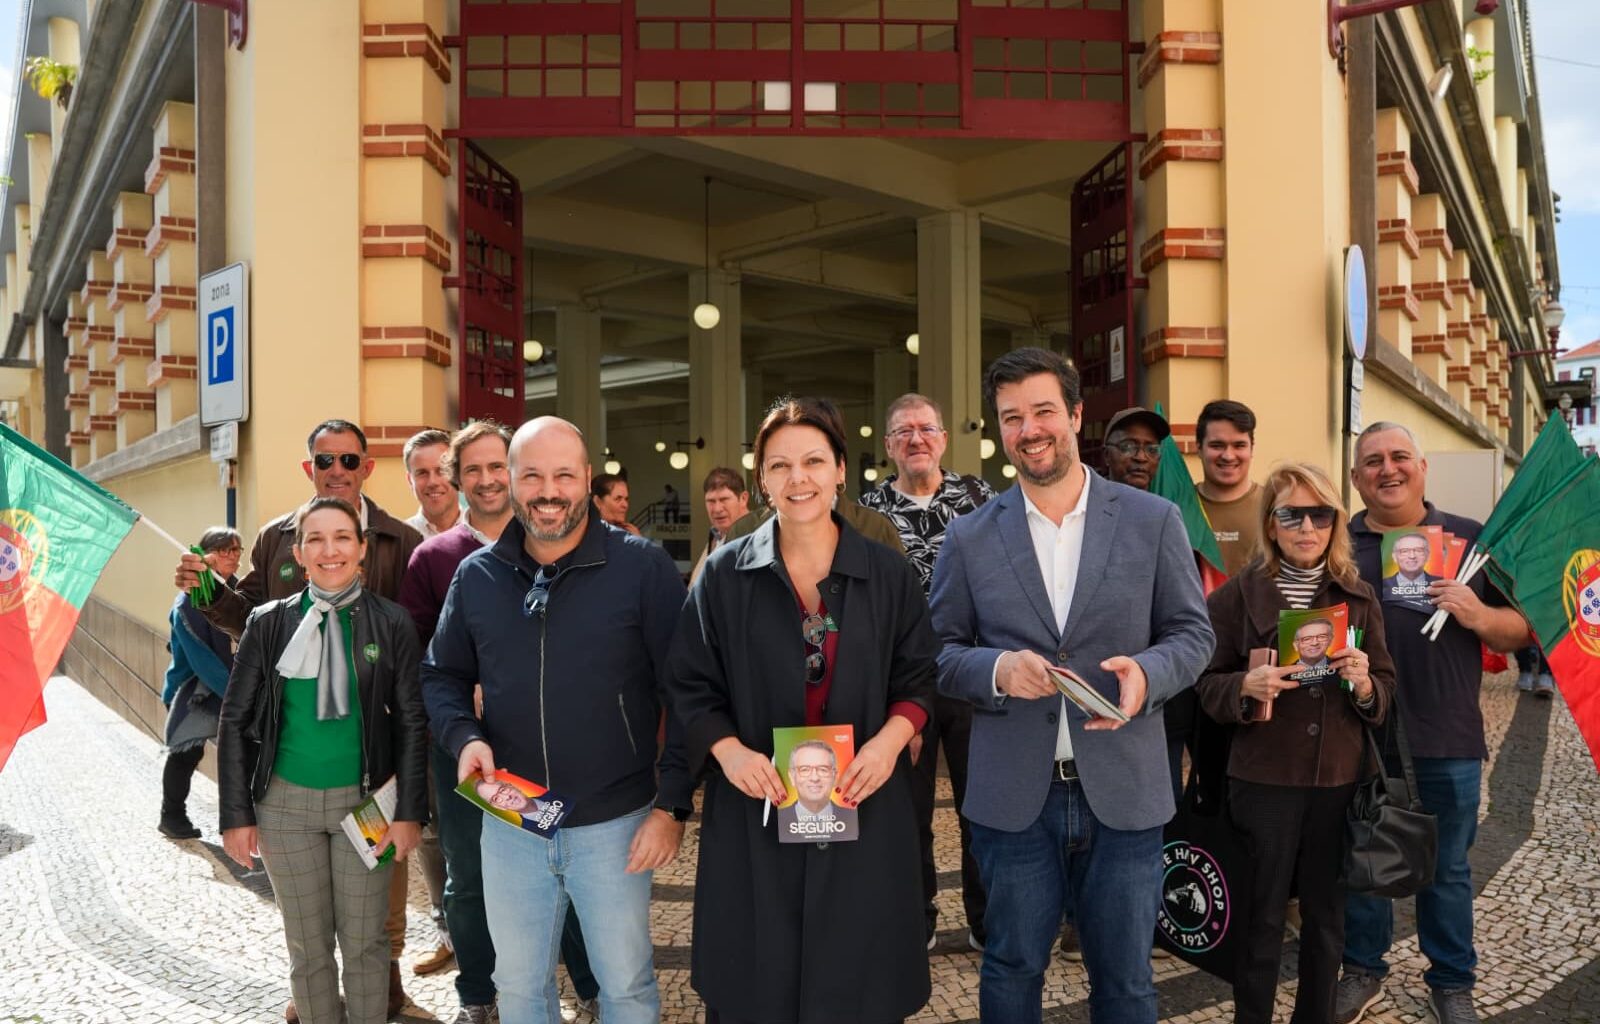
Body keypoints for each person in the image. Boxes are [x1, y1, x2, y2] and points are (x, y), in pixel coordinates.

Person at [930, 348, 1215, 1024]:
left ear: (1076, 415)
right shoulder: (969, 536)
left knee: (1125, 981)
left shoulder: (1153, 522)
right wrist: (996, 670)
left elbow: (1193, 636)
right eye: (1012, 417)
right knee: (1011, 968)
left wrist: (1148, 674)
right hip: (1014, 798)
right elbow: (937, 654)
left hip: (1124, 791)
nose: (1030, 429)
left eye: (1043, 411)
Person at [667, 395, 937, 1024]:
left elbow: (919, 673)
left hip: (863, 801)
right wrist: (728, 752)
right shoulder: (725, 575)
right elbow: (688, 680)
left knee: (862, 983)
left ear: (842, 469)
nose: (799, 479)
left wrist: (889, 742)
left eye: (814, 461)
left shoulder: (887, 573)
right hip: (758, 810)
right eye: (780, 465)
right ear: (761, 477)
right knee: (759, 982)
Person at [423, 417, 693, 1024]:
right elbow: (439, 676)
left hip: (615, 821)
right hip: (512, 817)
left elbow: (687, 692)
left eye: (564, 475)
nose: (549, 491)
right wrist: (464, 736)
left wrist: (671, 804)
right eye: (533, 476)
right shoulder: (479, 576)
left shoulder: (643, 569)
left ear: (587, 481)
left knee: (624, 985)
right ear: (512, 483)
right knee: (518, 988)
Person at [174, 418, 424, 1020]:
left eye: (343, 538)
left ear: (365, 546)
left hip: (367, 803)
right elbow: (235, 720)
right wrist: (236, 815)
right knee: (307, 949)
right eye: (316, 539)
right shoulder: (270, 621)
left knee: (367, 946)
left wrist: (411, 810)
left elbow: (412, 719)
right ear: (297, 550)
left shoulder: (391, 618)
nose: (330, 549)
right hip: (283, 807)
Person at [398, 420, 598, 1024]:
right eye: (474, 470)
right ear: (458, 481)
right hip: (466, 751)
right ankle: (480, 996)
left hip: (543, 741)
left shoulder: (556, 538)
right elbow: (421, 656)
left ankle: (588, 986)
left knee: (560, 859)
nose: (486, 480)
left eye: (496, 466)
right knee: (470, 873)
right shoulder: (434, 557)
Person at [1335, 422, 1532, 1024]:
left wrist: (1476, 613)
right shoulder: (1337, 545)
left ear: (1424, 467)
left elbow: (1523, 629)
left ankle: (1451, 981)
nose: (1387, 470)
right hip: (1360, 732)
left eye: (1399, 457)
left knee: (1446, 870)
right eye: (1372, 461)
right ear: (1355, 478)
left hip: (1447, 734)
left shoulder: (1470, 542)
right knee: (1365, 860)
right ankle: (1362, 971)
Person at [1194, 463, 1395, 1024]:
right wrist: (1242, 686)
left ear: (1335, 523)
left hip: (1337, 781)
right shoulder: (1236, 598)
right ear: (1272, 523)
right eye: (1291, 514)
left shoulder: (1359, 598)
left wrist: (1362, 682)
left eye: (1320, 514)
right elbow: (1203, 685)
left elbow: (1386, 691)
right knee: (1259, 919)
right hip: (1263, 781)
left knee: (1327, 922)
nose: (1307, 526)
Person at [858, 391, 995, 951]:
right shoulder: (866, 512)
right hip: (901, 680)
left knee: (981, 804)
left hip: (970, 671)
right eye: (903, 431)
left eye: (925, 429)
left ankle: (988, 920)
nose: (916, 439)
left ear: (942, 437)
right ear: (889, 446)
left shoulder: (981, 498)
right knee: (906, 809)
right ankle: (916, 915)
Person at [159, 526, 242, 839]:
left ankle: (240, 822)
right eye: (223, 550)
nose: (232, 556)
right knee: (186, 753)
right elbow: (202, 661)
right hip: (192, 691)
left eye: (236, 550)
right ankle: (171, 815)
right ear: (204, 556)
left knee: (239, 754)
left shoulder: (239, 591)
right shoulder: (186, 604)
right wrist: (240, 696)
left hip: (230, 686)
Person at [1195, 400, 1263, 577]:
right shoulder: (1180, 507)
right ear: (1199, 448)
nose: (1228, 455)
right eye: (1217, 445)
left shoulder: (1274, 507)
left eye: (1239, 445)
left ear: (1251, 449)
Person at [691, 466, 751, 583]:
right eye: (711, 501)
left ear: (743, 499)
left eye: (724, 499)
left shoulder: (758, 537)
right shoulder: (717, 535)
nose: (717, 509)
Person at [404, 428, 461, 538]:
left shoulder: (485, 534)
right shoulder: (399, 542)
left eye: (441, 471)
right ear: (410, 480)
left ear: (457, 474)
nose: (432, 482)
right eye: (422, 473)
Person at [1100, 406, 1168, 493]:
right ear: (1107, 455)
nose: (1141, 457)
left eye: (1151, 450)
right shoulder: (1086, 503)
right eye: (1128, 447)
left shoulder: (1166, 505)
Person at [776, 740, 840, 828]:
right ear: (792, 777)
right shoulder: (776, 819)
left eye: (823, 769)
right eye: (804, 769)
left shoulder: (851, 817)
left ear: (835, 776)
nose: (814, 778)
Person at [1381, 532, 1441, 601]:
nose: (1412, 556)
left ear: (1427, 555)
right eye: (1404, 551)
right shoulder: (1381, 585)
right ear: (1394, 557)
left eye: (1419, 550)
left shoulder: (1440, 583)